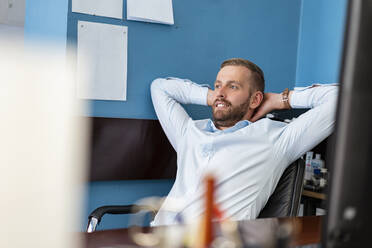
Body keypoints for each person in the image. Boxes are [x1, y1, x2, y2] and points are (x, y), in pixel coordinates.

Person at [150, 58, 338, 226]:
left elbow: (342, 98)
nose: (221, 92)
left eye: (232, 87)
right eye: (218, 85)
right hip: (159, 236)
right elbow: (159, 87)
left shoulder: (276, 140)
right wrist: (214, 98)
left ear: (255, 99)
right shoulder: (188, 131)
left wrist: (282, 100)